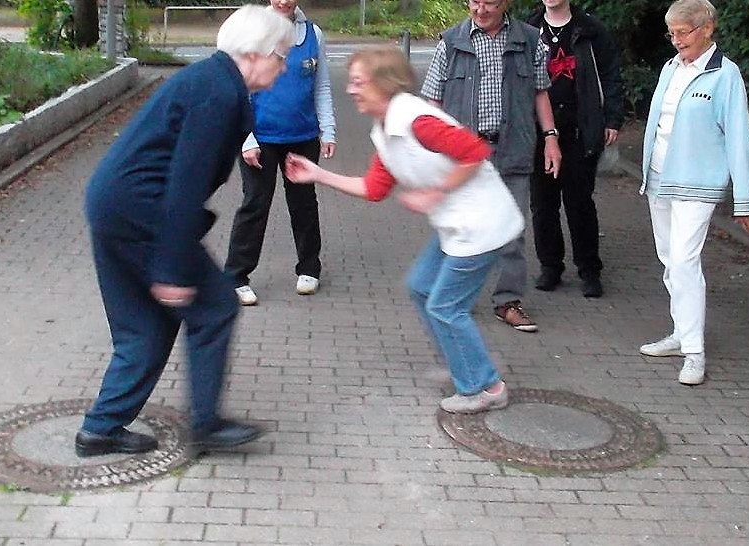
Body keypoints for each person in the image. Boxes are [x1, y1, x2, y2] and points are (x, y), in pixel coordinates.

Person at [74, 5, 294, 458]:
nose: (285, 65)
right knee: (215, 307)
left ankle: (100, 429)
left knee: (145, 326)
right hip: (143, 213)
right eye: (282, 55)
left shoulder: (213, 82)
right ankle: (206, 425)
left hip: (115, 204)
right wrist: (172, 269)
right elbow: (185, 183)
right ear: (255, 54)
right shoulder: (218, 93)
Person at [285, 46, 524, 413]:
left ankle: (486, 388)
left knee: (446, 306)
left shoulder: (416, 121)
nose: (350, 89)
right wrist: (317, 174)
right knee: (421, 287)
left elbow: (475, 151)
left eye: (358, 82)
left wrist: (435, 191)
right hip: (456, 227)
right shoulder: (386, 129)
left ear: (384, 84)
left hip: (482, 226)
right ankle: (465, 366)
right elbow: (374, 189)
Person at [639, 0, 749, 385]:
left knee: (683, 260)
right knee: (669, 260)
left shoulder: (724, 75)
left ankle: (694, 351)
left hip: (697, 184)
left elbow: (739, 138)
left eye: (683, 32)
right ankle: (681, 333)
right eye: (672, 33)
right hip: (660, 179)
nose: (676, 41)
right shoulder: (669, 68)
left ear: (707, 28)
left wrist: (744, 199)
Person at [421, 0, 562, 333]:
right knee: (460, 227)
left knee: (510, 230)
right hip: (464, 155)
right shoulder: (451, 41)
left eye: (490, 2)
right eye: (475, 1)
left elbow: (541, 93)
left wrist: (551, 138)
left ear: (507, 3)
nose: (480, 9)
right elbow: (433, 100)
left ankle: (508, 301)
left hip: (512, 148)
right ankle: (453, 297)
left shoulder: (530, 41)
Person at [224, 0, 336, 306]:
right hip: (260, 137)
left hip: (302, 135)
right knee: (255, 204)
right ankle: (236, 276)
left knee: (303, 202)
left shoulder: (313, 33)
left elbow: (321, 86)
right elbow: (238, 87)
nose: (283, 1)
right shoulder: (254, 32)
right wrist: (246, 138)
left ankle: (309, 268)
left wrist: (328, 129)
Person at [526, 0, 624, 297]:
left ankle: (589, 270)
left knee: (579, 202)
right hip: (538, 132)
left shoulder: (591, 30)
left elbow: (610, 75)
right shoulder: (529, 30)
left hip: (581, 129)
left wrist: (612, 119)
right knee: (543, 204)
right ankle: (550, 266)